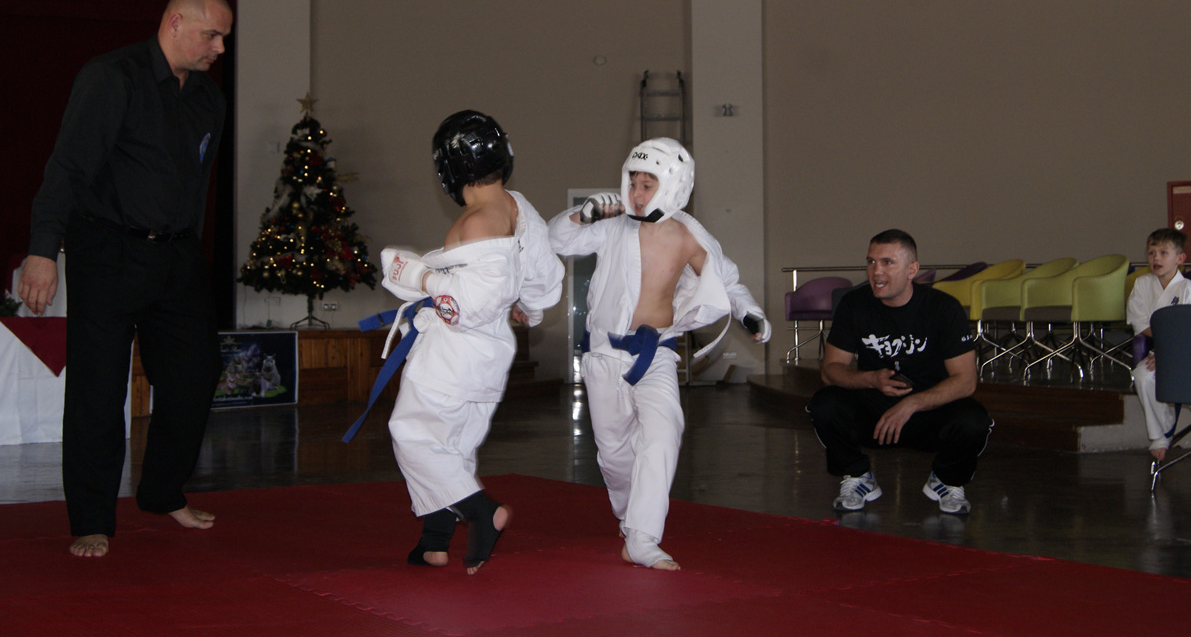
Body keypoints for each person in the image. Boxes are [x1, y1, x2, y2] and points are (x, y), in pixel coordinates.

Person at [16, 0, 234, 558]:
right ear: (175, 22)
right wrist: (43, 251)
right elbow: (67, 166)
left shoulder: (208, 99)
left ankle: (162, 492)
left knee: (195, 373)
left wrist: (191, 254)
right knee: (98, 388)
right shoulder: (112, 77)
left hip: (177, 256)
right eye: (212, 35)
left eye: (224, 38)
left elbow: (197, 186)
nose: (219, 48)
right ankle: (92, 519)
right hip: (108, 251)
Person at [548, 137, 770, 570]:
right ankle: (629, 515)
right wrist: (580, 214)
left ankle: (643, 537)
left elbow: (725, 280)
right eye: (633, 182)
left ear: (673, 186)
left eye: (647, 184)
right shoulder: (612, 226)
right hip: (604, 354)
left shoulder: (689, 235)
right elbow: (556, 240)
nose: (636, 193)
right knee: (614, 455)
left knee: (664, 430)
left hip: (657, 352)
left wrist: (750, 312)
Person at [381, 110, 563, 574]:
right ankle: (434, 542)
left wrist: (417, 275)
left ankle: (482, 512)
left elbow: (463, 304)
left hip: (455, 349)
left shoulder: (476, 221)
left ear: (449, 168)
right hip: (491, 351)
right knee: (453, 445)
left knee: (413, 433)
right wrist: (530, 308)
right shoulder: (518, 208)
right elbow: (545, 277)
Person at [807, 229, 992, 515]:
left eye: (887, 262)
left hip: (928, 409)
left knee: (973, 420)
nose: (876, 271)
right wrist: (871, 379)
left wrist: (912, 403)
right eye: (871, 262)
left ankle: (946, 480)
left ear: (912, 270)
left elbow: (966, 381)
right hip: (875, 408)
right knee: (825, 403)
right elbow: (830, 371)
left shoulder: (943, 308)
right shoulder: (854, 304)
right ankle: (857, 476)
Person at [1126, 228, 1191, 462]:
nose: (1156, 258)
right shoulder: (1143, 284)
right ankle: (1160, 434)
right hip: (1163, 350)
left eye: (1164, 253)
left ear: (1180, 258)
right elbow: (1140, 322)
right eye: (1152, 252)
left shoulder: (1187, 288)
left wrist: (1170, 351)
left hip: (1185, 351)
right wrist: (1163, 350)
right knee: (1143, 375)